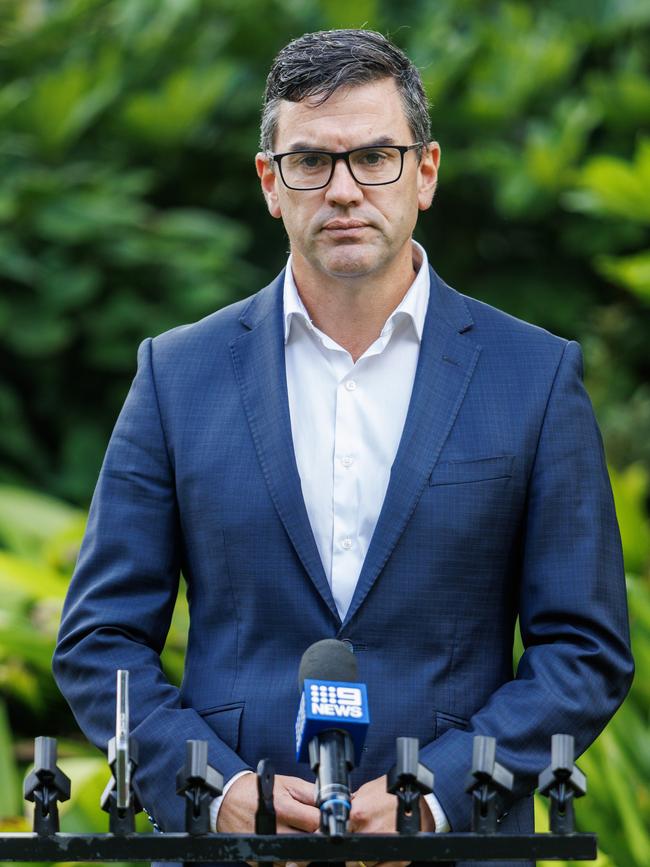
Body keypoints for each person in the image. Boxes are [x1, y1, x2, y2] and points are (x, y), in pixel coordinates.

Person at [53, 28, 633, 866]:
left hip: (452, 850)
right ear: (270, 183)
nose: (345, 189)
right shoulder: (176, 374)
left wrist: (433, 797)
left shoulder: (536, 376)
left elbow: (583, 650)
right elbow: (100, 640)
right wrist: (213, 788)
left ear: (425, 173)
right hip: (236, 852)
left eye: (375, 156)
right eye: (312, 162)